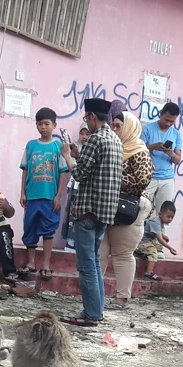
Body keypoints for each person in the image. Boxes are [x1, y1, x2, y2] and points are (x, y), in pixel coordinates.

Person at [59, 97, 121, 327]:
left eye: (87, 118)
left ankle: (92, 314)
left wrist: (67, 155)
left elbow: (79, 174)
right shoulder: (114, 139)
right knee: (94, 263)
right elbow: (92, 168)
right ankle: (97, 310)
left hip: (88, 210)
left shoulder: (95, 139)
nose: (87, 122)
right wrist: (77, 154)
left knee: (86, 265)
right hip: (105, 212)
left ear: (93, 117)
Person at [99, 111, 153, 309]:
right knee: (100, 252)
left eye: (118, 125)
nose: (114, 129)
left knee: (122, 254)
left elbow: (141, 181)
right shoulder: (113, 148)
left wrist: (112, 177)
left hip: (129, 209)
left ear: (129, 127)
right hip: (107, 206)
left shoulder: (139, 151)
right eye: (112, 125)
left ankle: (122, 298)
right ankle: (95, 294)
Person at [20, 107, 70, 278]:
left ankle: (46, 265)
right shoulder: (31, 145)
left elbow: (64, 172)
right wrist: (22, 193)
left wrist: (59, 195)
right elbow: (25, 170)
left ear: (54, 125)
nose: (43, 127)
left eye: (46, 124)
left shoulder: (59, 147)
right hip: (32, 195)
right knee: (30, 228)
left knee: (48, 231)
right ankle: (31, 263)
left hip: (50, 197)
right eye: (40, 124)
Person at [142, 102, 183, 212]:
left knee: (163, 215)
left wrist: (172, 154)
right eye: (167, 120)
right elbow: (139, 152)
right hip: (148, 177)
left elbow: (178, 160)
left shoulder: (176, 134)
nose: (169, 124)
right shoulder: (147, 129)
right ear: (161, 114)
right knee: (142, 211)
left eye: (172, 121)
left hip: (167, 179)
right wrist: (153, 147)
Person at [61, 125, 91, 249]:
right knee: (72, 215)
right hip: (74, 186)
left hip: (85, 189)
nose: (84, 136)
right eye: (82, 133)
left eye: (87, 134)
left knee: (82, 217)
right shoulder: (75, 147)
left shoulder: (92, 149)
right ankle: (70, 243)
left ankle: (80, 245)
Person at [138, 201, 178, 281]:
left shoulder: (160, 221)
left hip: (148, 240)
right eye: (168, 216)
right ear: (160, 214)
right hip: (142, 242)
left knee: (159, 246)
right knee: (153, 253)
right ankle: (149, 273)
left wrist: (164, 237)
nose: (170, 219)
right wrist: (170, 248)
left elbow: (157, 233)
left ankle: (141, 252)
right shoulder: (156, 222)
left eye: (172, 217)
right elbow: (159, 239)